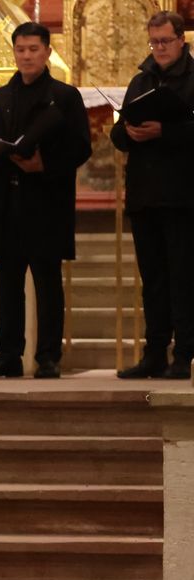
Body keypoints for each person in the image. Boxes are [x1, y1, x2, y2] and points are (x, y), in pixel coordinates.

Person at [0, 21, 92, 379]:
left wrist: (45, 164)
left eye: (33, 49)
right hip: (6, 199)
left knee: (46, 280)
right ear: (14, 52)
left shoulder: (65, 96)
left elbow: (81, 146)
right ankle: (8, 354)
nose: (26, 56)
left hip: (45, 198)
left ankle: (48, 356)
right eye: (21, 50)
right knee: (7, 281)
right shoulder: (1, 96)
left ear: (47, 52)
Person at [110, 11, 194, 380]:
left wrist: (166, 132)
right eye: (154, 42)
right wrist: (130, 132)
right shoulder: (141, 80)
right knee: (154, 280)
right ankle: (154, 353)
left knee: (183, 278)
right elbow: (116, 135)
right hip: (145, 195)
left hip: (183, 195)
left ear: (182, 41)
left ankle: (185, 354)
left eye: (165, 41)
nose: (159, 48)